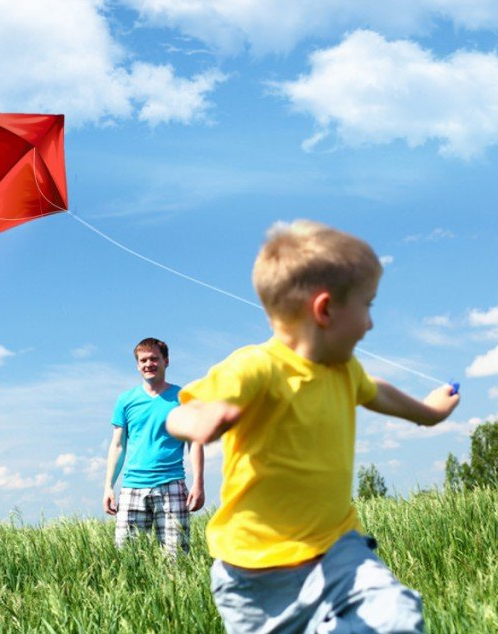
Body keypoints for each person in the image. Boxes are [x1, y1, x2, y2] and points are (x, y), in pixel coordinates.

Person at [166, 221, 460, 633]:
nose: (371, 324)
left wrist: (430, 412)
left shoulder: (343, 369)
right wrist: (200, 421)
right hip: (255, 577)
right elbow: (176, 414)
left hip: (338, 551)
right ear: (325, 310)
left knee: (395, 618)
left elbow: (381, 393)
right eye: (368, 305)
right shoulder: (256, 367)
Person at [104, 337, 205, 556]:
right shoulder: (126, 400)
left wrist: (198, 483)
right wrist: (109, 486)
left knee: (176, 558)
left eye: (154, 359)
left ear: (166, 361)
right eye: (143, 360)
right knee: (127, 560)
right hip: (132, 487)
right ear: (137, 365)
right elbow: (118, 445)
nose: (148, 364)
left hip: (171, 485)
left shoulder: (184, 398)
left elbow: (195, 442)